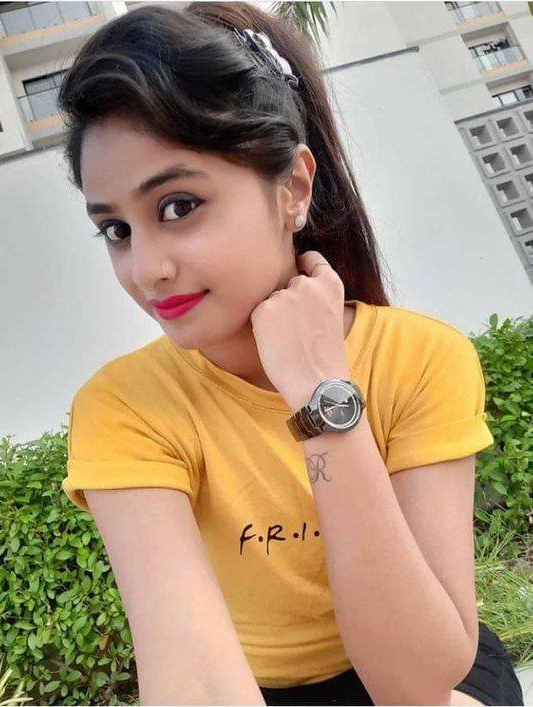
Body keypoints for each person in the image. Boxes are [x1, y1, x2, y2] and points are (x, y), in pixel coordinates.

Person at [58, 2, 525, 705]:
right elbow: (195, 679)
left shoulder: (421, 358)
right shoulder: (127, 407)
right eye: (117, 230)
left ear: (293, 189)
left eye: (178, 207)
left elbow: (417, 684)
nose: (146, 268)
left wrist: (320, 395)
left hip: (428, 664)